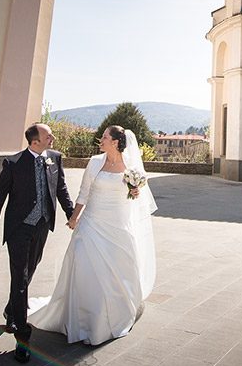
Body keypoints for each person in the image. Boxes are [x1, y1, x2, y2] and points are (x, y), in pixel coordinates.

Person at [29, 125, 157, 345]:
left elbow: (136, 195)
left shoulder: (131, 166)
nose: (101, 140)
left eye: (105, 137)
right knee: (83, 263)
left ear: (116, 142)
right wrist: (74, 217)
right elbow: (84, 192)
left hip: (117, 224)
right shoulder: (95, 162)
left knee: (115, 269)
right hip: (91, 222)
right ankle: (81, 317)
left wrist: (134, 190)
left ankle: (107, 316)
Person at [0, 123, 74, 363]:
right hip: (19, 229)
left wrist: (71, 214)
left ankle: (12, 308)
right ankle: (22, 337)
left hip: (42, 226)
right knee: (20, 278)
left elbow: (60, 188)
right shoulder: (13, 164)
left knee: (30, 271)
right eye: (48, 135)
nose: (52, 137)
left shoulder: (55, 158)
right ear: (35, 141)